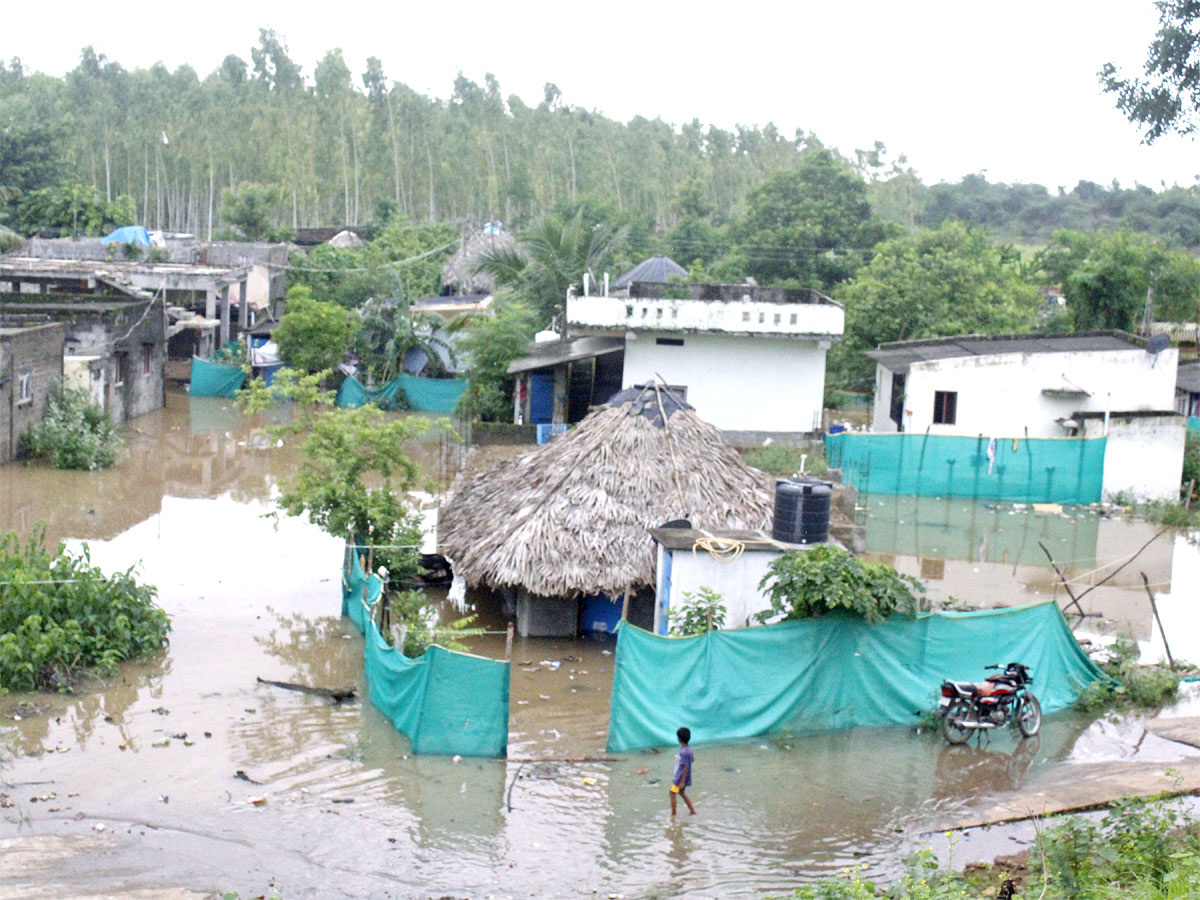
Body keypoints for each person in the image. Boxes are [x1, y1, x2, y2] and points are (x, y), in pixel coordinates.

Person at [669, 726, 696, 816]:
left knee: (672, 793)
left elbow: (686, 767)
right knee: (682, 793)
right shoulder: (689, 750)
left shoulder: (683, 752)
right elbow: (692, 760)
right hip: (682, 777)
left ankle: (673, 814)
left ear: (679, 739)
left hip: (679, 778)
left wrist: (682, 782)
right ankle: (692, 810)